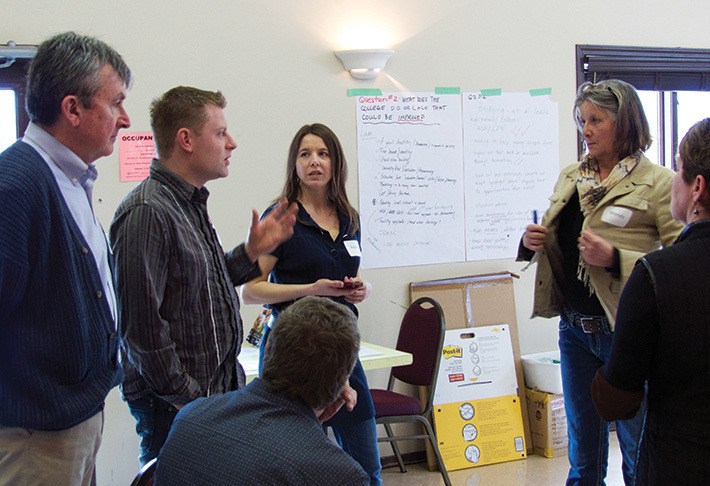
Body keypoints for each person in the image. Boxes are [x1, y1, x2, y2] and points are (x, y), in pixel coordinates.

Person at [109, 86, 297, 466]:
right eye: (220, 133)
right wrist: (189, 400)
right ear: (186, 140)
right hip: (177, 407)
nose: (232, 143)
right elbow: (142, 330)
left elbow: (203, 286)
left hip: (210, 397)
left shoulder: (189, 202)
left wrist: (249, 253)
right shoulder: (147, 212)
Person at [517, 79, 684, 485]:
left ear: (624, 122)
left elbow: (681, 260)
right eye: (582, 121)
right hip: (574, 330)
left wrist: (615, 259)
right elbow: (558, 238)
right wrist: (529, 242)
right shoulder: (572, 176)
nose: (586, 130)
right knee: (583, 455)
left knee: (635, 451)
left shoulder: (658, 182)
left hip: (626, 332)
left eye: (596, 120)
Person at [0, 32, 131, 485]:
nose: (125, 118)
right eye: (115, 103)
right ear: (72, 109)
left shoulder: (68, 178)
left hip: (69, 421)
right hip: (35, 435)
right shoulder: (17, 185)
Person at [240, 123, 381, 485]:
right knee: (296, 464)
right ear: (295, 164)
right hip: (291, 352)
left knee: (367, 465)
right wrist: (310, 290)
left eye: (323, 153)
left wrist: (360, 289)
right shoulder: (282, 216)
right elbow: (250, 291)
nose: (314, 161)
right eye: (305, 154)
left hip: (341, 350)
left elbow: (349, 271)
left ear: (335, 163)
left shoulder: (349, 217)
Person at [592, 118, 710, 485]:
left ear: (698, 188)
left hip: (683, 462)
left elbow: (617, 400)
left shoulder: (658, 275)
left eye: (678, 170)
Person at [155, 296, 370, 486]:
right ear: (343, 380)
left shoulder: (191, 415)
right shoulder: (339, 474)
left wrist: (311, 423)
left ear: (267, 349)